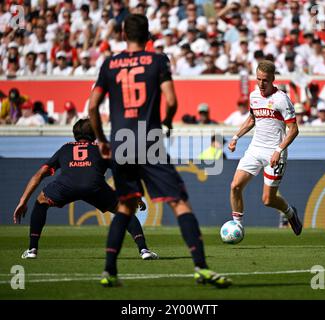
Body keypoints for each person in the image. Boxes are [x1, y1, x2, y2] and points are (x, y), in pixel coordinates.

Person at [89, 14, 231, 288]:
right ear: (148, 35)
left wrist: (102, 140)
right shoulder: (158, 60)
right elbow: (172, 100)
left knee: (126, 205)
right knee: (178, 201)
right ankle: (201, 267)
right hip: (150, 140)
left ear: (122, 33)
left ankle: (109, 272)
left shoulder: (109, 64)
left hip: (120, 142)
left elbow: (93, 107)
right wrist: (166, 122)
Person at [13, 119, 158, 261]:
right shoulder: (102, 148)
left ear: (75, 135)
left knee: (41, 201)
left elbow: (40, 174)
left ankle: (32, 249)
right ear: (94, 134)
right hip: (94, 187)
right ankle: (144, 250)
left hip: (66, 186)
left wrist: (23, 201)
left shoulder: (65, 148)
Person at [227, 60, 302, 236]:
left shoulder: (281, 99)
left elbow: (294, 130)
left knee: (268, 200)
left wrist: (279, 150)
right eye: (258, 79)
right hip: (255, 149)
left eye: (265, 80)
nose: (261, 83)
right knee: (235, 186)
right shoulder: (254, 96)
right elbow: (252, 119)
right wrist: (236, 137)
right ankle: (237, 226)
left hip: (274, 152)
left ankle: (290, 212)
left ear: (273, 79)